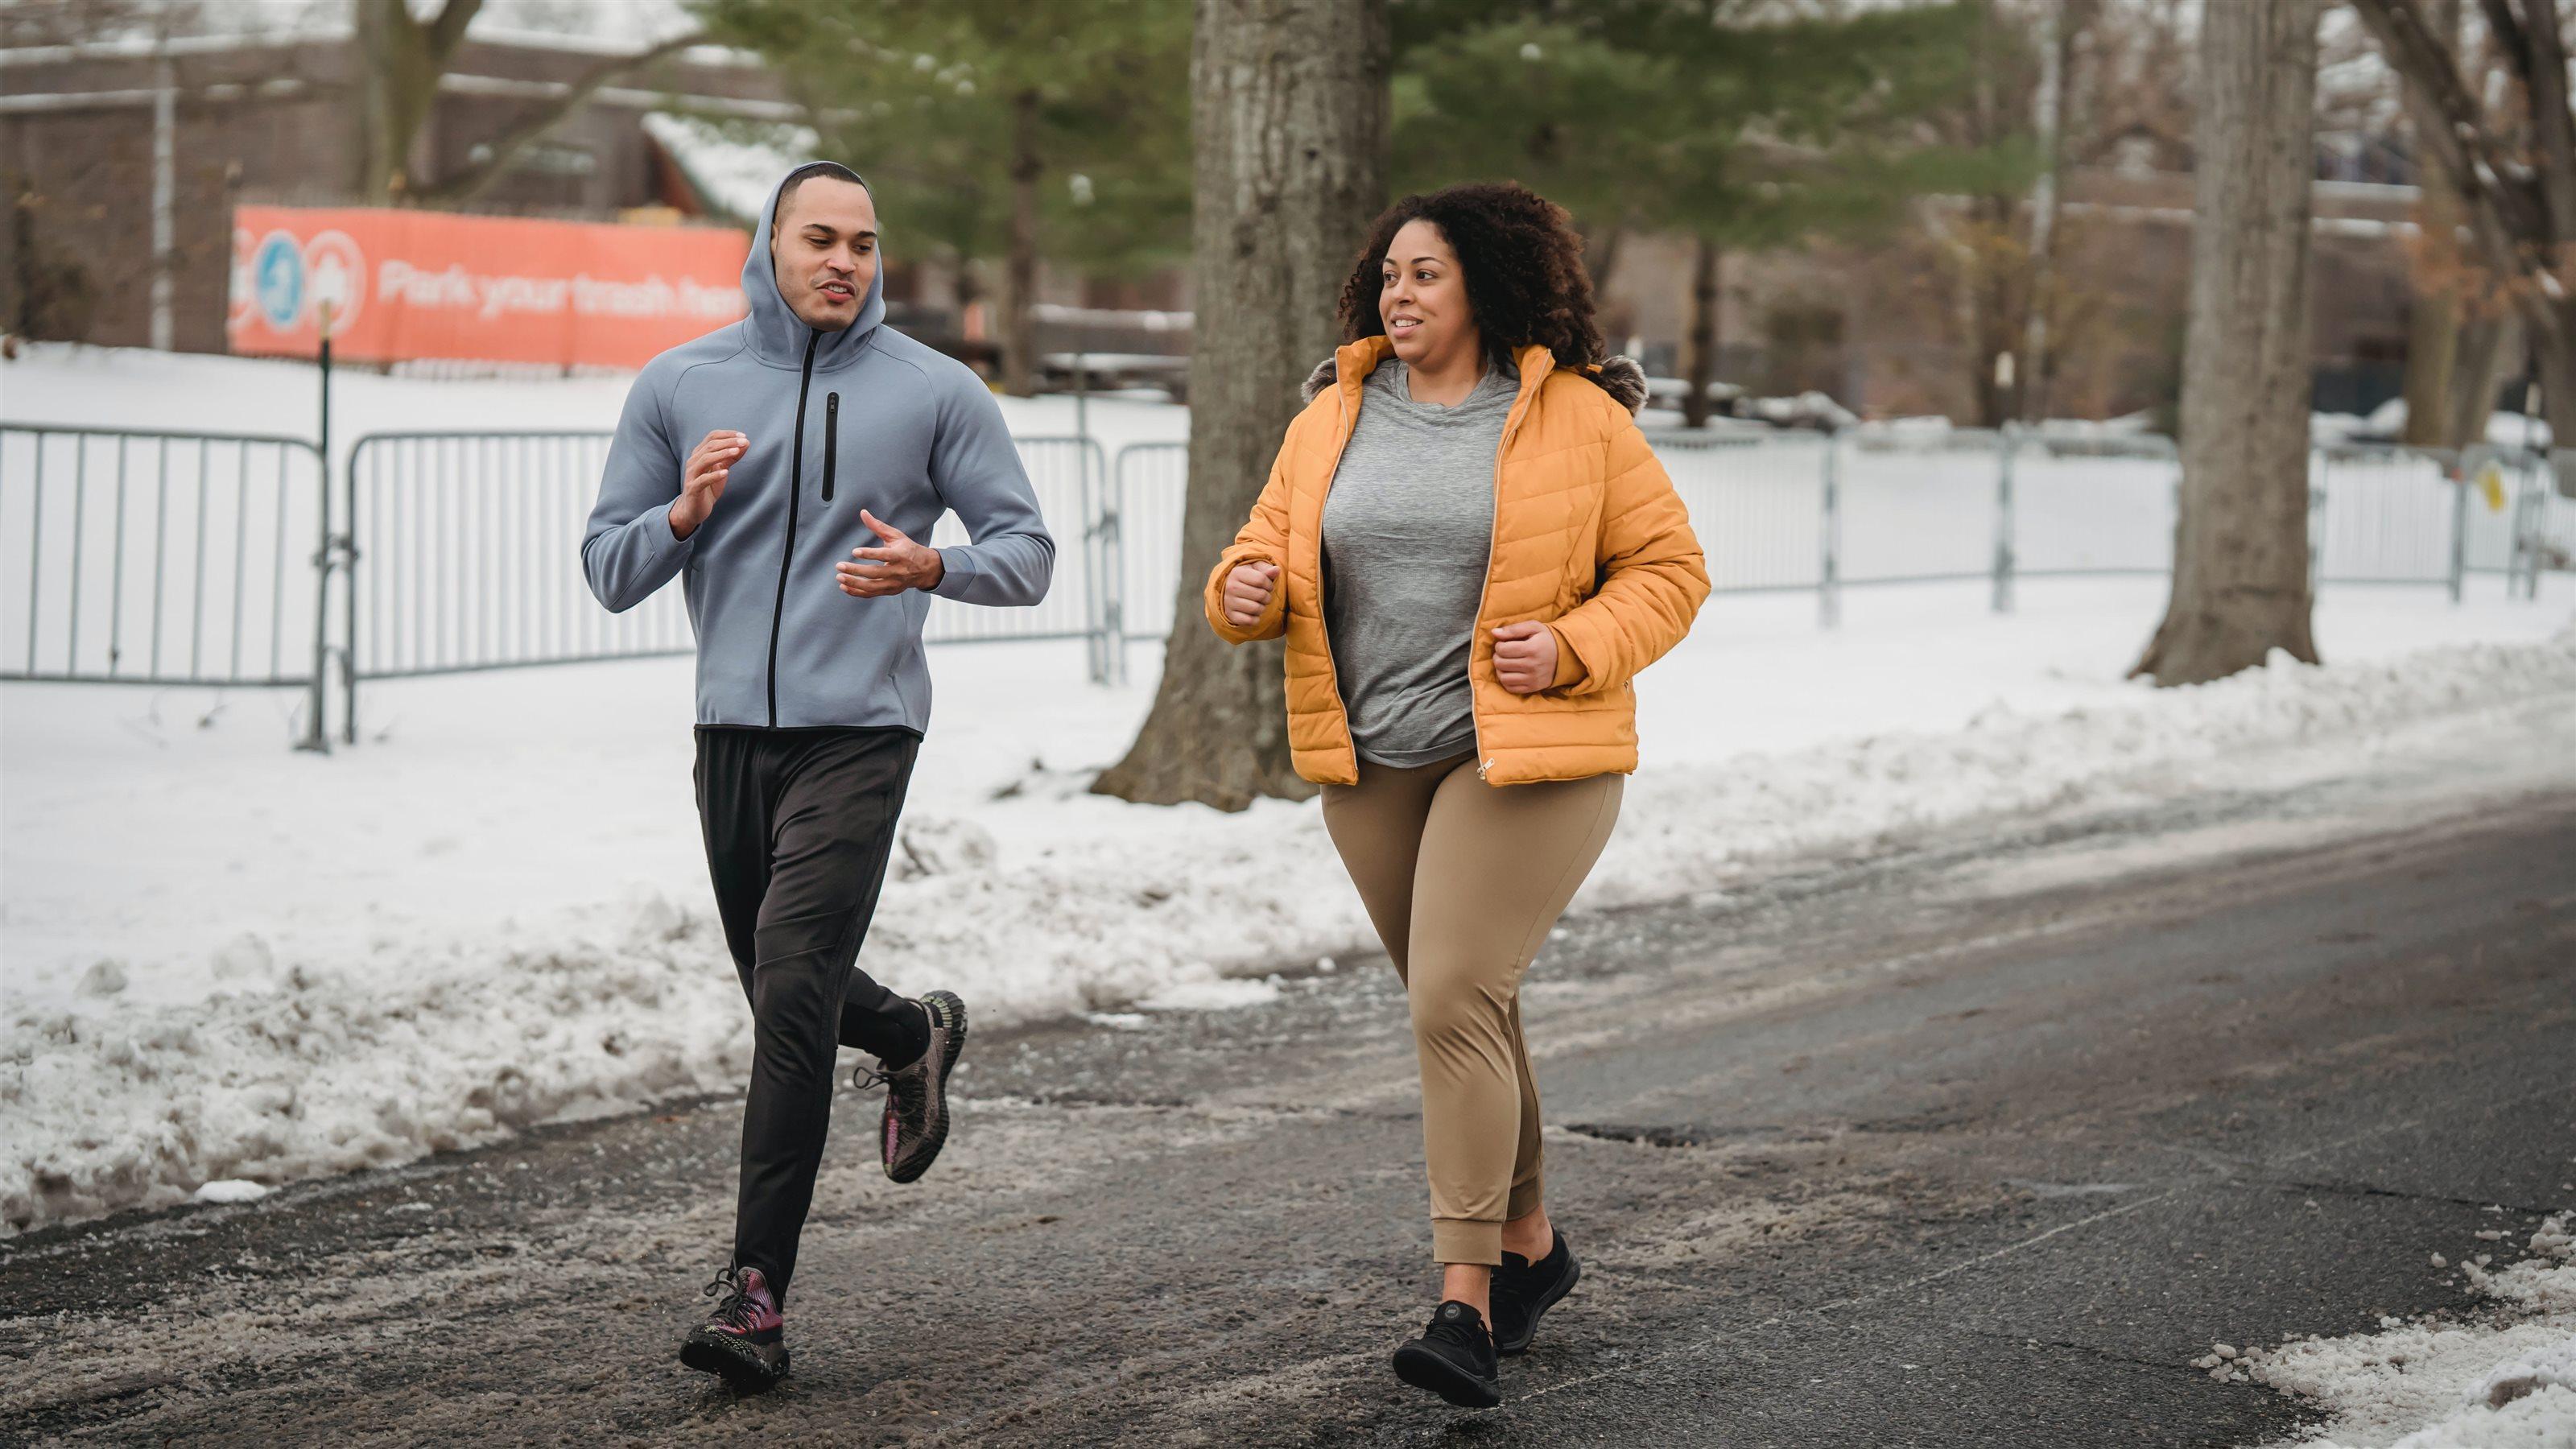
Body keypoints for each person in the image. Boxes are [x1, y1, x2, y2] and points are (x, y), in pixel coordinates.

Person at [1205, 183, 1708, 1409]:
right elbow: (1262, 549)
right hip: (1373, 763)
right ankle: (1535, 1249)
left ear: (1483, 282)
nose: (1399, 292)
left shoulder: (1577, 419)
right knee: (1468, 1012)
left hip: (1530, 760)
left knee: (1451, 997)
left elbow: (1673, 570)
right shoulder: (1333, 415)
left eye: (1425, 273)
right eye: (1388, 275)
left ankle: (1465, 1305)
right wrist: (1245, 590)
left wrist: (1579, 643)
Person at [582, 161, 1054, 1392]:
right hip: (731, 733)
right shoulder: (681, 384)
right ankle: (911, 1030)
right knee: (780, 983)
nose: (844, 261)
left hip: (862, 730)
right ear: (771, 244)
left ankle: (755, 1298)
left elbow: (1030, 552)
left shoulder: (934, 390)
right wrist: (679, 518)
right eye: (819, 239)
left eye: (862, 242)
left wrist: (934, 570)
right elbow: (605, 565)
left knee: (789, 994)